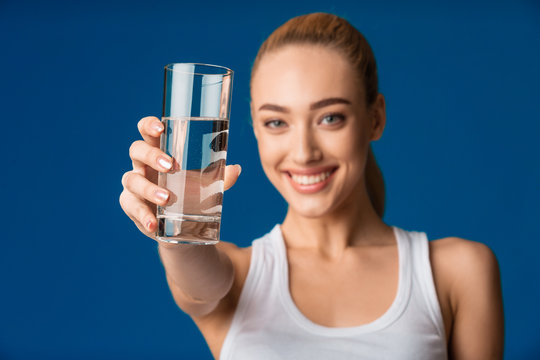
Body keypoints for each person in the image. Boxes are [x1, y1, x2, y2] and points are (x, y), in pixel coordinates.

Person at [119, 13, 504, 360]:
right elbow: (194, 272)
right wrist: (173, 218)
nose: (303, 153)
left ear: (375, 119)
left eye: (330, 118)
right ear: (254, 128)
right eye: (276, 122)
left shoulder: (456, 272)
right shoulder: (235, 278)